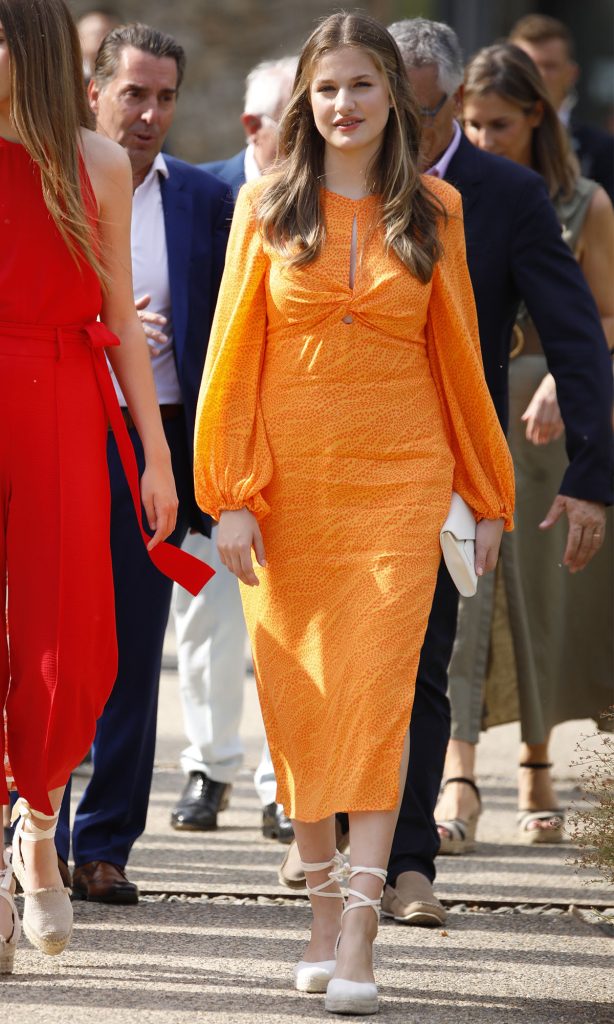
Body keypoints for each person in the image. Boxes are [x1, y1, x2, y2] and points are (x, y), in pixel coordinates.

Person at [193, 11, 514, 1015]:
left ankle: (363, 926)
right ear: (303, 101)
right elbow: (229, 363)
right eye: (324, 87)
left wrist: (485, 490)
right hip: (288, 495)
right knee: (298, 702)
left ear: (395, 95)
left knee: (376, 699)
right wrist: (230, 496)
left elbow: (460, 359)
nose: (342, 104)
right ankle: (321, 909)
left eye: (360, 85)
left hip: (399, 483)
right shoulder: (261, 209)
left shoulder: (437, 208)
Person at [378, 17, 612, 931]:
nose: (414, 136)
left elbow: (581, 335)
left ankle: (405, 862)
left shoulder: (509, 197)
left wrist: (591, 473)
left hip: (447, 465)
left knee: (427, 664)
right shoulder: (320, 183)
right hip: (333, 466)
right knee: (336, 656)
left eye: (426, 117)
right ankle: (320, 833)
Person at [0, 0, 211, 971]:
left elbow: (121, 312)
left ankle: (39, 823)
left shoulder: (101, 162)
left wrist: (159, 457)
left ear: (30, 51)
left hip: (59, 407)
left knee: (67, 643)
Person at [53, 23, 230, 906]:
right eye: (134, 93)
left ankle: (105, 846)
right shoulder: (51, 178)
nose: (151, 112)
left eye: (164, 96)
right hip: (60, 422)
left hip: (155, 441)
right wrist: (110, 329)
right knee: (50, 641)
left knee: (131, 644)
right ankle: (36, 837)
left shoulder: (205, 198)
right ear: (93, 91)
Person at [436, 42, 614, 853]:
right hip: (469, 404)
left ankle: (538, 768)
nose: (481, 138)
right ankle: (459, 772)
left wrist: (555, 381)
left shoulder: (585, 202)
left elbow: (603, 316)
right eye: (469, 123)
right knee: (466, 591)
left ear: (536, 116)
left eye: (498, 123)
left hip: (545, 415)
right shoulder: (446, 192)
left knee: (537, 597)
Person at [170, 56, 297, 844]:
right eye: (298, 111)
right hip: (213, 434)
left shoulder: (332, 195)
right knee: (208, 611)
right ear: (256, 125)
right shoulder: (201, 193)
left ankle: (282, 781)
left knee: (283, 619)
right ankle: (208, 767)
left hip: (297, 437)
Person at [509, 14, 614, 202]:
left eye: (549, 66)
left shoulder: (602, 151)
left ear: (571, 74)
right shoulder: (482, 140)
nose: (537, 75)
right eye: (527, 65)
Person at [76, 6, 122, 84]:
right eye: (96, 34)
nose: (104, 39)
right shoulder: (70, 77)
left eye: (110, 33)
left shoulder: (126, 73)